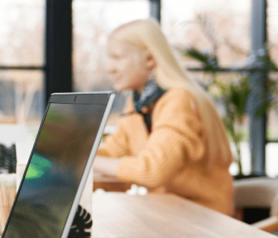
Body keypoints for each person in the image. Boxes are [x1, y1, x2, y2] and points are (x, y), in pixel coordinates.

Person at [92, 19, 234, 216]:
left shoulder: (178, 99)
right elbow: (115, 153)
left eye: (117, 57)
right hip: (166, 215)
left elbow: (151, 172)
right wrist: (67, 159)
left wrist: (85, 160)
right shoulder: (139, 103)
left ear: (150, 59)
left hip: (202, 221)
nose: (110, 68)